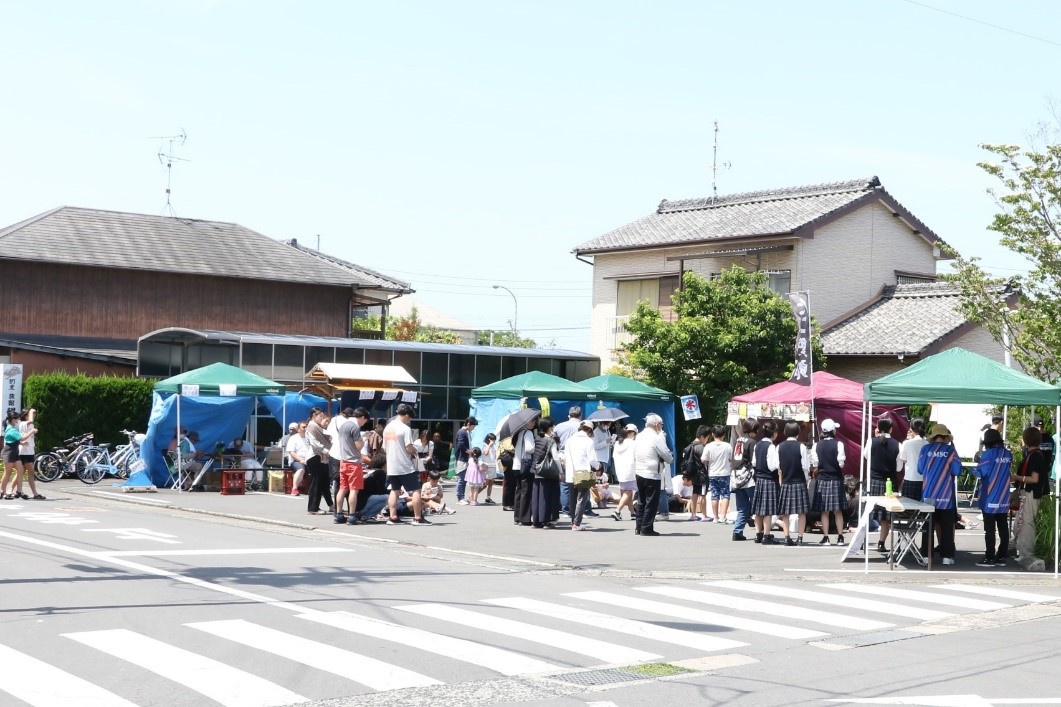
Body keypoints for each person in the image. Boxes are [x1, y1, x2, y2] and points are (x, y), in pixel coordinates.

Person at [918, 423, 963, 566]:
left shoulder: (925, 449)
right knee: (947, 527)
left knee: (928, 526)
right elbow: (957, 471)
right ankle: (946, 556)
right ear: (945, 437)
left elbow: (920, 469)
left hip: (928, 494)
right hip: (945, 495)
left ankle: (926, 555)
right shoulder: (950, 451)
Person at [384, 403, 429, 525]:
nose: (409, 421)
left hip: (391, 465)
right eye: (410, 418)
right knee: (416, 490)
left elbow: (384, 448)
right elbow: (409, 448)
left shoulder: (387, 428)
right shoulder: (405, 428)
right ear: (406, 415)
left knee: (394, 490)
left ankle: (393, 517)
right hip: (404, 465)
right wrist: (413, 450)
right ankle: (418, 518)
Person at [973, 428, 1013, 567]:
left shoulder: (987, 455)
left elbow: (981, 473)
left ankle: (989, 557)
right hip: (1003, 496)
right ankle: (1002, 556)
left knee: (989, 529)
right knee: (1003, 527)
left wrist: (975, 466)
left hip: (989, 496)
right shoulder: (1008, 454)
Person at [769, 421, 810, 546]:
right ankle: (800, 538)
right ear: (798, 433)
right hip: (799, 482)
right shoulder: (801, 447)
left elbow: (776, 466)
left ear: (785, 432)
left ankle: (787, 537)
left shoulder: (779, 447)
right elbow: (806, 466)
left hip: (786, 482)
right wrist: (806, 480)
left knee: (785, 512)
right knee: (801, 512)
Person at [1013, 425, 1049, 567]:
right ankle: (1023, 551)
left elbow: (1034, 478)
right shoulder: (1037, 455)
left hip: (1031, 493)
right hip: (1032, 493)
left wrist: (1017, 477)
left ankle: (1027, 553)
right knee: (1023, 522)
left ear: (1026, 439)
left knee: (1027, 523)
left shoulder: (1034, 457)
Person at [633, 413, 672, 537]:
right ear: (656, 424)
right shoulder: (656, 437)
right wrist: (668, 458)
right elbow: (667, 456)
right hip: (652, 473)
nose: (661, 427)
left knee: (641, 501)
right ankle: (646, 528)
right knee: (651, 502)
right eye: (661, 424)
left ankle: (638, 527)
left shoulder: (639, 436)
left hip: (639, 471)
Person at [867, 418, 901, 555]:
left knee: (869, 512)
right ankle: (881, 543)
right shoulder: (898, 444)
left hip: (874, 480)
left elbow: (866, 457)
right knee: (886, 516)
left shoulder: (871, 441)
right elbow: (899, 468)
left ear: (878, 428)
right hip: (890, 482)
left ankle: (863, 542)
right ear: (891, 429)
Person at [810, 418, 845, 545]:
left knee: (824, 511)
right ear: (833, 431)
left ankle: (826, 537)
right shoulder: (839, 444)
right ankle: (840, 537)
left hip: (823, 479)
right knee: (838, 510)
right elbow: (841, 464)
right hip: (835, 478)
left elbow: (815, 464)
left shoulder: (816, 445)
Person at [333, 407, 365, 526]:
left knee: (342, 489)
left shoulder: (343, 426)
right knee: (353, 491)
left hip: (343, 461)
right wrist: (364, 440)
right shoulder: (355, 427)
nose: (363, 423)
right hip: (353, 463)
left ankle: (339, 514)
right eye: (364, 421)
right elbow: (358, 446)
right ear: (361, 417)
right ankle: (352, 516)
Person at [529, 417, 562, 528]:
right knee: (547, 497)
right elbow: (556, 458)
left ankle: (536, 520)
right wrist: (561, 471)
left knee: (536, 497)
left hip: (536, 469)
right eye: (552, 426)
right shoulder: (550, 440)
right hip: (547, 472)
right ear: (549, 427)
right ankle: (546, 520)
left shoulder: (537, 438)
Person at [564, 420, 597, 530]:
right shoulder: (588, 441)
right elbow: (592, 459)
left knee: (572, 498)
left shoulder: (570, 440)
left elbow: (565, 457)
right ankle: (576, 524)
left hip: (570, 472)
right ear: (589, 430)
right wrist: (598, 466)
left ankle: (573, 521)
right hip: (583, 472)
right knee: (582, 498)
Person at [751, 421, 779, 544]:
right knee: (767, 510)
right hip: (769, 479)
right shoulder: (771, 446)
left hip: (759, 479)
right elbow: (773, 466)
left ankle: (758, 534)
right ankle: (766, 535)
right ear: (774, 433)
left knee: (758, 509)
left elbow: (754, 463)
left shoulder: (758, 445)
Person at [729, 419, 756, 541]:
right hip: (747, 478)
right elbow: (753, 461)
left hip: (736, 477)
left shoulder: (738, 441)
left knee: (742, 507)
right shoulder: (751, 442)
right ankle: (760, 531)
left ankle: (737, 531)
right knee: (757, 503)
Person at [304, 407, 334, 515]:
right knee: (316, 483)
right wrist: (327, 451)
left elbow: (328, 436)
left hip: (322, 457)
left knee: (324, 482)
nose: (321, 418)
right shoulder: (311, 427)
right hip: (315, 457)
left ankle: (331, 505)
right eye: (320, 416)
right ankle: (313, 508)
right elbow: (315, 444)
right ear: (314, 416)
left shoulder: (318, 427)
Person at [701, 424, 733, 524]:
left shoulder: (708, 446)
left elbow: (703, 460)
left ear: (713, 434)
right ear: (723, 435)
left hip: (712, 473)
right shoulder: (728, 446)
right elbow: (731, 459)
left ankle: (715, 517)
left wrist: (709, 462)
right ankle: (723, 516)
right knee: (725, 495)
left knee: (714, 495)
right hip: (724, 473)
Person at [511, 417, 538, 526]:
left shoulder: (518, 433)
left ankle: (517, 517)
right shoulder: (528, 433)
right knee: (526, 492)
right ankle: (525, 518)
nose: (534, 423)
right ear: (529, 421)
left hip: (517, 464)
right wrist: (537, 445)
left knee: (519, 491)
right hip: (525, 464)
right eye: (533, 421)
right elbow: (529, 449)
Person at [15, 408, 44, 501]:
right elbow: (30, 420)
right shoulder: (23, 423)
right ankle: (35, 493)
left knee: (21, 472)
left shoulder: (27, 424)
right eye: (30, 414)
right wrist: (31, 411)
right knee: (31, 472)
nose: (33, 416)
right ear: (25, 415)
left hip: (28, 451)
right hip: (25, 452)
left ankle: (12, 490)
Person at [611, 423, 638, 521]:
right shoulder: (633, 443)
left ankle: (632, 513)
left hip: (620, 470)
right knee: (629, 492)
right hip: (630, 470)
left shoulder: (618, 443)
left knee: (626, 492)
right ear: (633, 434)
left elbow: (614, 457)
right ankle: (617, 510)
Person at [683, 425, 709, 521]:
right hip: (702, 474)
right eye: (707, 438)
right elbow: (705, 460)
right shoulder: (701, 448)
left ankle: (693, 514)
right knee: (702, 495)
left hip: (693, 474)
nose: (707, 440)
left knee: (694, 493)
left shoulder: (689, 446)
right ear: (702, 437)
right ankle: (704, 515)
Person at [898, 418, 927, 501]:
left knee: (908, 506)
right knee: (922, 507)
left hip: (910, 477)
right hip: (924, 478)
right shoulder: (927, 443)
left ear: (911, 428)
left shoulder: (907, 443)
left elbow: (903, 458)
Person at [454, 416, 477, 505]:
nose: (473, 428)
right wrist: (469, 452)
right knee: (462, 478)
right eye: (473, 426)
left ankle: (462, 497)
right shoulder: (462, 432)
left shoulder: (466, 432)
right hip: (462, 458)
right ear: (468, 424)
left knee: (464, 479)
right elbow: (461, 445)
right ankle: (460, 497)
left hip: (465, 458)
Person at [286, 421, 310, 495]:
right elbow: (292, 452)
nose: (305, 429)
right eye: (303, 427)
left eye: (306, 427)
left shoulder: (309, 438)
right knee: (301, 469)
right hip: (295, 461)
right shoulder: (293, 438)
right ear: (298, 429)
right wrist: (301, 459)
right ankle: (294, 489)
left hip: (308, 459)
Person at [480, 432, 498, 505]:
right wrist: (489, 445)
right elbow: (485, 453)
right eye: (492, 440)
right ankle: (474, 494)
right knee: (484, 484)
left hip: (493, 466)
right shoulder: (484, 445)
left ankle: (488, 497)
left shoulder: (494, 446)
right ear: (489, 439)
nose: (494, 441)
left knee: (491, 483)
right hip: (486, 467)